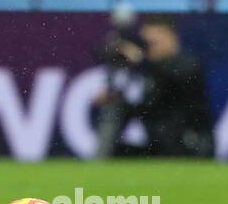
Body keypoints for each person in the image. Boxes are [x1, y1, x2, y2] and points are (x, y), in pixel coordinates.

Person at [91, 15, 216, 159]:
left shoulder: (188, 65)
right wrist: (116, 99)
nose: (147, 48)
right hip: (158, 146)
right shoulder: (152, 68)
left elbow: (172, 85)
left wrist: (140, 59)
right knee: (117, 144)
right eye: (145, 43)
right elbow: (151, 108)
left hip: (189, 146)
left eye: (153, 43)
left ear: (170, 37)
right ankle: (97, 163)